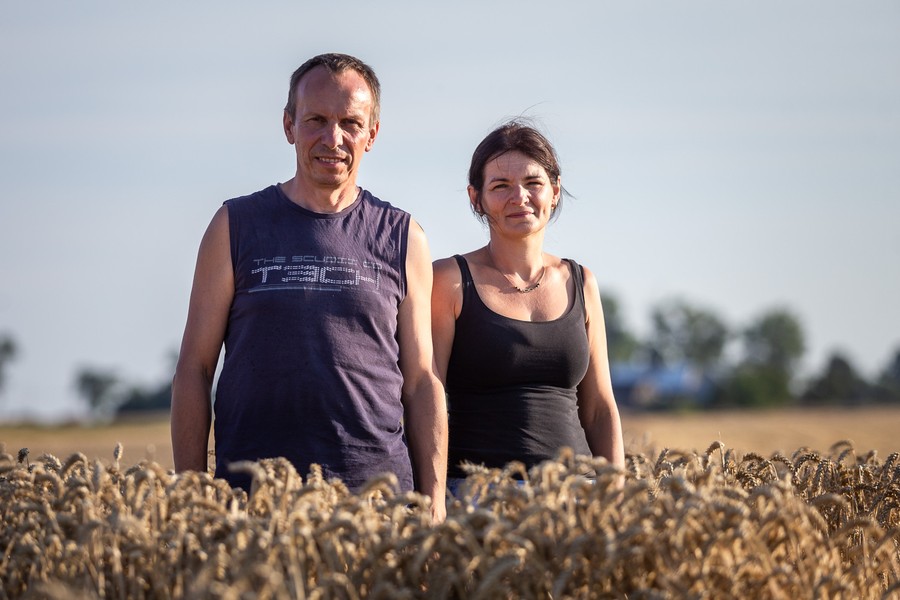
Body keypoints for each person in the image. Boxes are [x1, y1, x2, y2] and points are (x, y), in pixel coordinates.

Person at [171, 53, 447, 521]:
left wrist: (435, 501)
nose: (332, 139)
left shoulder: (403, 236)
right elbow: (194, 370)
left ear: (372, 135)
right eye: (316, 120)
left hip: (377, 501)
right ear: (288, 126)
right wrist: (193, 498)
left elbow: (421, 382)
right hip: (253, 500)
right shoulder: (234, 226)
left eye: (350, 124)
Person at [431, 121, 625, 492]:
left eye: (532, 183)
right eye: (500, 186)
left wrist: (616, 495)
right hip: (479, 496)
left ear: (554, 191)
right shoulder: (449, 280)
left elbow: (600, 408)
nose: (518, 196)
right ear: (477, 198)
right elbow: (428, 394)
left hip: (577, 494)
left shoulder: (582, 282)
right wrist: (434, 496)